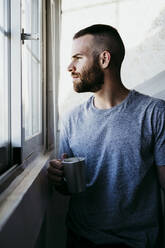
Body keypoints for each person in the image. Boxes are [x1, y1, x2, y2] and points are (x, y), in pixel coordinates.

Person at [47, 24, 165, 248]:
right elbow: (68, 188)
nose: (70, 67)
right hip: (80, 240)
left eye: (77, 58)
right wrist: (58, 178)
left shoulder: (155, 113)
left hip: (138, 243)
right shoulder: (71, 119)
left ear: (104, 59)